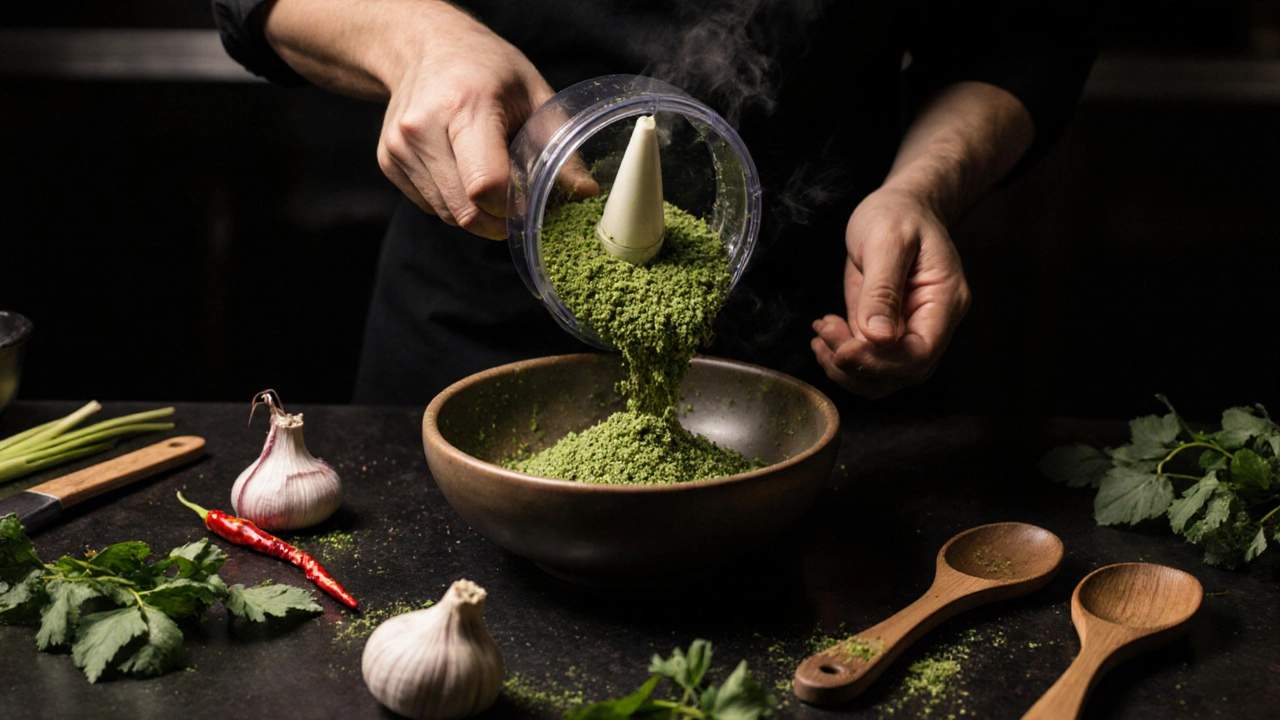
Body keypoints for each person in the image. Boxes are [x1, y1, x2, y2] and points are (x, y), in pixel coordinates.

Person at [213, 0, 1097, 407]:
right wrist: (420, 40)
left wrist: (918, 189)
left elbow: (1024, 32)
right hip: (470, 329)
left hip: (818, 342)